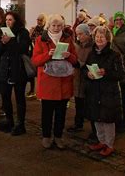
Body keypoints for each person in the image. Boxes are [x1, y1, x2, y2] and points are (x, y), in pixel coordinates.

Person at [33, 14, 78, 149]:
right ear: (49, 26)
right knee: (47, 112)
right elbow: (35, 61)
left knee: (61, 113)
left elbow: (75, 60)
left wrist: (69, 56)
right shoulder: (41, 40)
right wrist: (48, 55)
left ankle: (58, 136)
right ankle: (46, 136)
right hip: (48, 82)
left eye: (59, 25)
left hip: (64, 82)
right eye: (54, 25)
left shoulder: (68, 39)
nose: (57, 28)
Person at [85, 26, 125, 157]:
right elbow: (86, 68)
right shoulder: (92, 53)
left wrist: (105, 72)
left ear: (107, 39)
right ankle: (101, 141)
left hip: (109, 92)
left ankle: (109, 144)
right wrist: (88, 74)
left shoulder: (114, 55)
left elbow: (120, 74)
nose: (99, 39)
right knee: (97, 117)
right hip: (95, 90)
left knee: (108, 119)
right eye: (97, 37)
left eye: (102, 37)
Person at [0, 11, 30, 136]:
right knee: (5, 96)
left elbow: (23, 49)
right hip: (5, 68)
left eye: (10, 19)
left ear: (16, 20)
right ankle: (9, 120)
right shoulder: (4, 31)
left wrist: (10, 41)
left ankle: (21, 124)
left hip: (18, 68)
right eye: (6, 20)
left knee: (20, 97)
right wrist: (3, 43)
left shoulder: (23, 32)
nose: (8, 22)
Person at [67, 23, 93, 134]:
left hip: (88, 79)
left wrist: (79, 63)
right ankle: (78, 123)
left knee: (90, 104)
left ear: (87, 34)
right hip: (78, 78)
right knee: (78, 103)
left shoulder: (92, 47)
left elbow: (91, 63)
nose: (79, 37)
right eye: (77, 34)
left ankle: (94, 130)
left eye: (81, 34)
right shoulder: (76, 46)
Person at [27, 13, 47, 98]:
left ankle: (41, 91)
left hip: (42, 53)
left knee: (41, 73)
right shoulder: (34, 29)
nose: (38, 22)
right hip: (33, 51)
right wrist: (30, 34)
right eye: (37, 20)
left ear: (44, 21)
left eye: (40, 20)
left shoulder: (46, 30)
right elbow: (30, 39)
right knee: (32, 71)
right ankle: (32, 90)